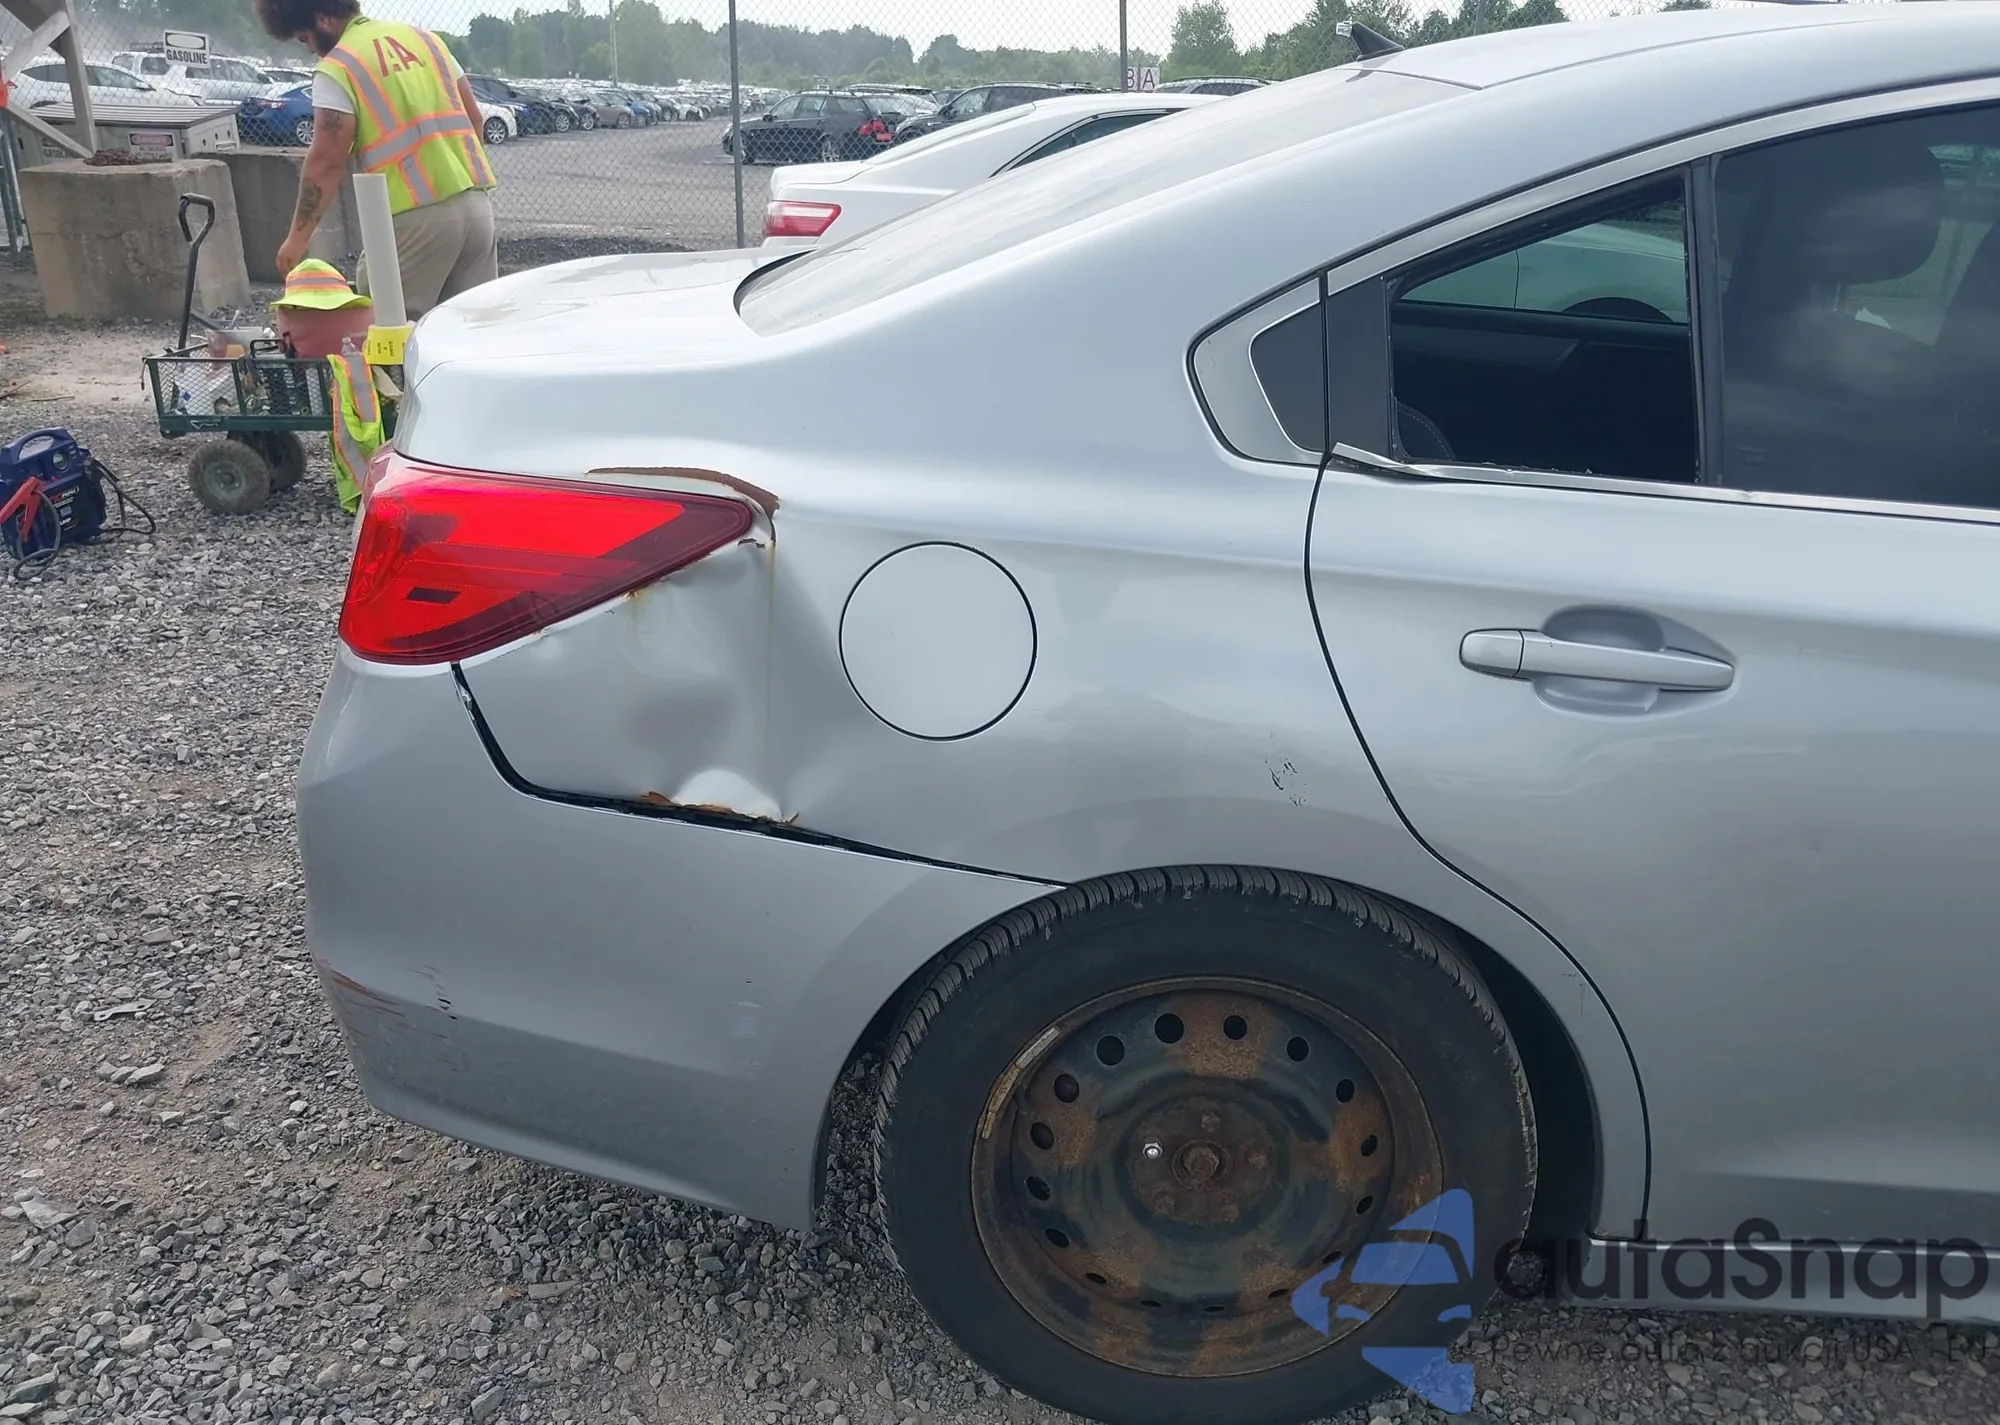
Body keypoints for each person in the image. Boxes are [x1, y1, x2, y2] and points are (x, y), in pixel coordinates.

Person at [254, 0, 498, 318]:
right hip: (477, 211)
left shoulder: (338, 67)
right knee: (470, 328)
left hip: (412, 219)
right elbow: (474, 118)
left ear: (322, 19)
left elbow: (327, 161)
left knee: (390, 331)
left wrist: (296, 240)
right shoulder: (427, 41)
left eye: (305, 38)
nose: (310, 48)